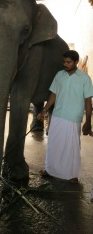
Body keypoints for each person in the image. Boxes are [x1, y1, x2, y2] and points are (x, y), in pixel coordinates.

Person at [37, 50, 93, 183]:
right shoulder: (59, 75)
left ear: (76, 62)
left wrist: (88, 121)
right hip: (57, 114)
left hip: (73, 116)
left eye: (68, 62)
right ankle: (50, 169)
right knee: (53, 144)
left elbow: (88, 101)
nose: (65, 64)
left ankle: (73, 174)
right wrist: (44, 110)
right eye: (64, 62)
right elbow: (53, 95)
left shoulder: (84, 79)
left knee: (72, 146)